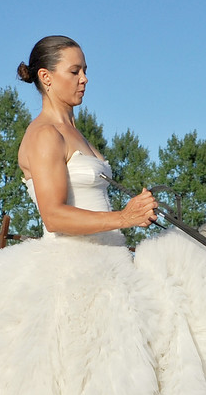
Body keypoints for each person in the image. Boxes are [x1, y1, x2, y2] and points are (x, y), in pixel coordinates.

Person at [16, 35, 157, 246]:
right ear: (46, 77)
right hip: (72, 265)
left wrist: (141, 210)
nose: (84, 78)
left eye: (85, 71)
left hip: (110, 256)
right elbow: (53, 217)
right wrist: (125, 217)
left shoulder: (75, 133)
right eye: (74, 71)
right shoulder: (45, 134)